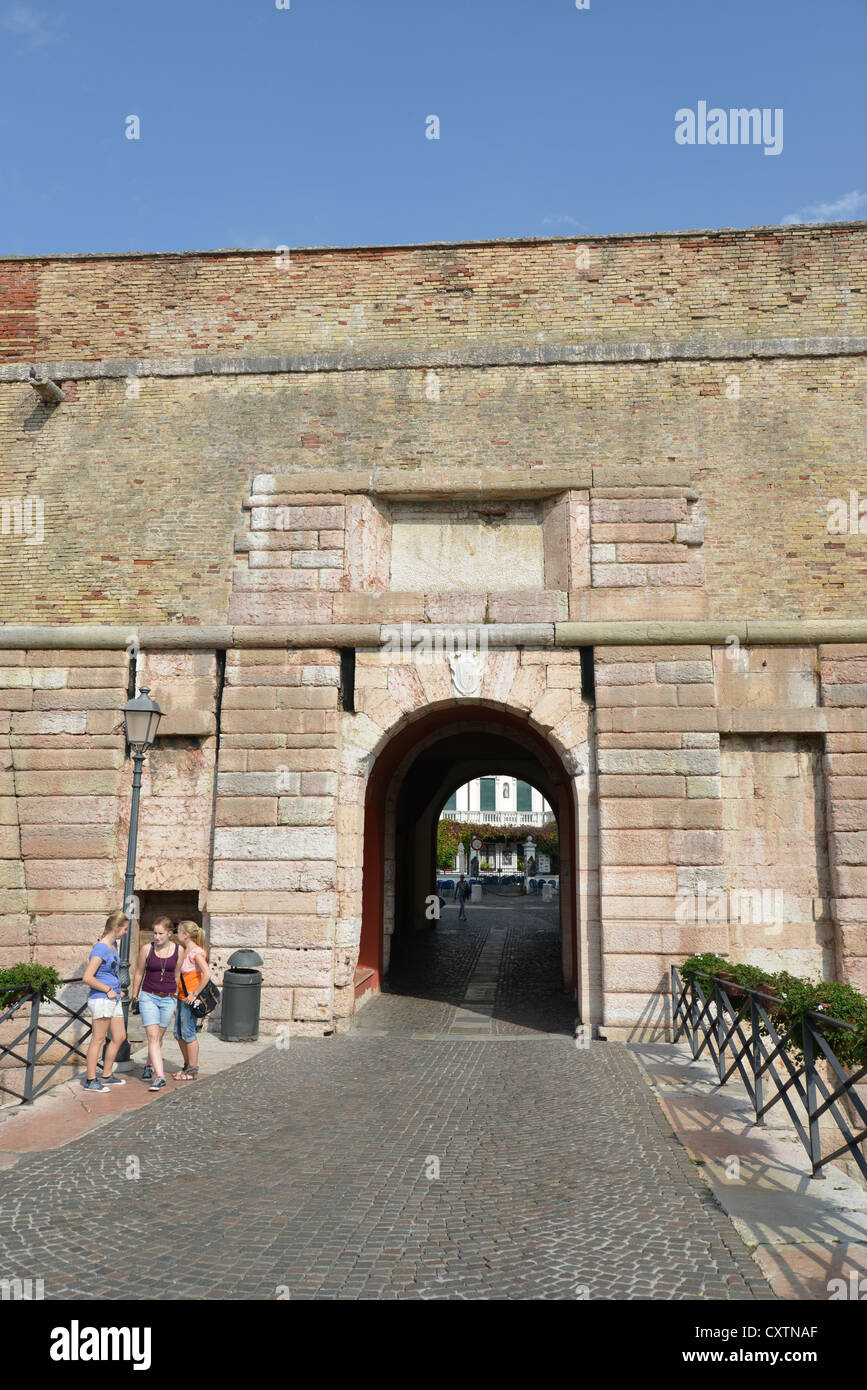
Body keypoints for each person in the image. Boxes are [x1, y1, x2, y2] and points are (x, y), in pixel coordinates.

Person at [80, 911, 130, 1092]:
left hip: (113, 998)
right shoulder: (100, 948)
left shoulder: (113, 945)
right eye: (124, 929)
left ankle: (107, 1075)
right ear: (115, 928)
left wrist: (117, 990)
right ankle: (91, 1079)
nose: (126, 932)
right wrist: (108, 989)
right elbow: (88, 977)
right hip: (101, 999)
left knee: (119, 1036)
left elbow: (110, 973)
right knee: (98, 1039)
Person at [131, 914, 180, 1092]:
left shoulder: (178, 950)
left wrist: (176, 998)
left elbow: (176, 975)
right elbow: (138, 973)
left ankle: (149, 1065)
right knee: (152, 1037)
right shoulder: (147, 949)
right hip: (148, 996)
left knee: (158, 1038)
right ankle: (160, 1077)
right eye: (155, 933)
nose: (157, 937)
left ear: (169, 933)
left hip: (168, 998)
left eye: (160, 934)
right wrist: (135, 996)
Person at [173, 921, 212, 1082]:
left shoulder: (196, 952)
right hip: (181, 997)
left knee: (189, 1033)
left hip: (190, 998)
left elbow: (207, 974)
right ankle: (187, 1065)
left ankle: (192, 1069)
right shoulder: (184, 950)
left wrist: (195, 994)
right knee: (178, 1033)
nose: (176, 934)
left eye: (179, 931)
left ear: (186, 934)